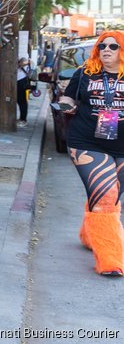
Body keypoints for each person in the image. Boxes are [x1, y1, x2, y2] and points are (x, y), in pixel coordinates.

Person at [57, 31, 124, 277]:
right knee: (106, 196)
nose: (106, 49)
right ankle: (110, 259)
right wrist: (67, 105)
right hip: (87, 141)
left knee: (110, 196)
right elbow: (68, 97)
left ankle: (89, 233)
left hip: (122, 144)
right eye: (102, 45)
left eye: (113, 46)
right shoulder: (85, 72)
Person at [16, 57, 33, 127]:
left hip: (22, 83)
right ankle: (21, 118)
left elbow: (29, 63)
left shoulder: (27, 64)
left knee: (22, 102)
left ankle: (23, 119)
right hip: (18, 82)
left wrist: (23, 63)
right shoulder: (21, 66)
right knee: (20, 101)